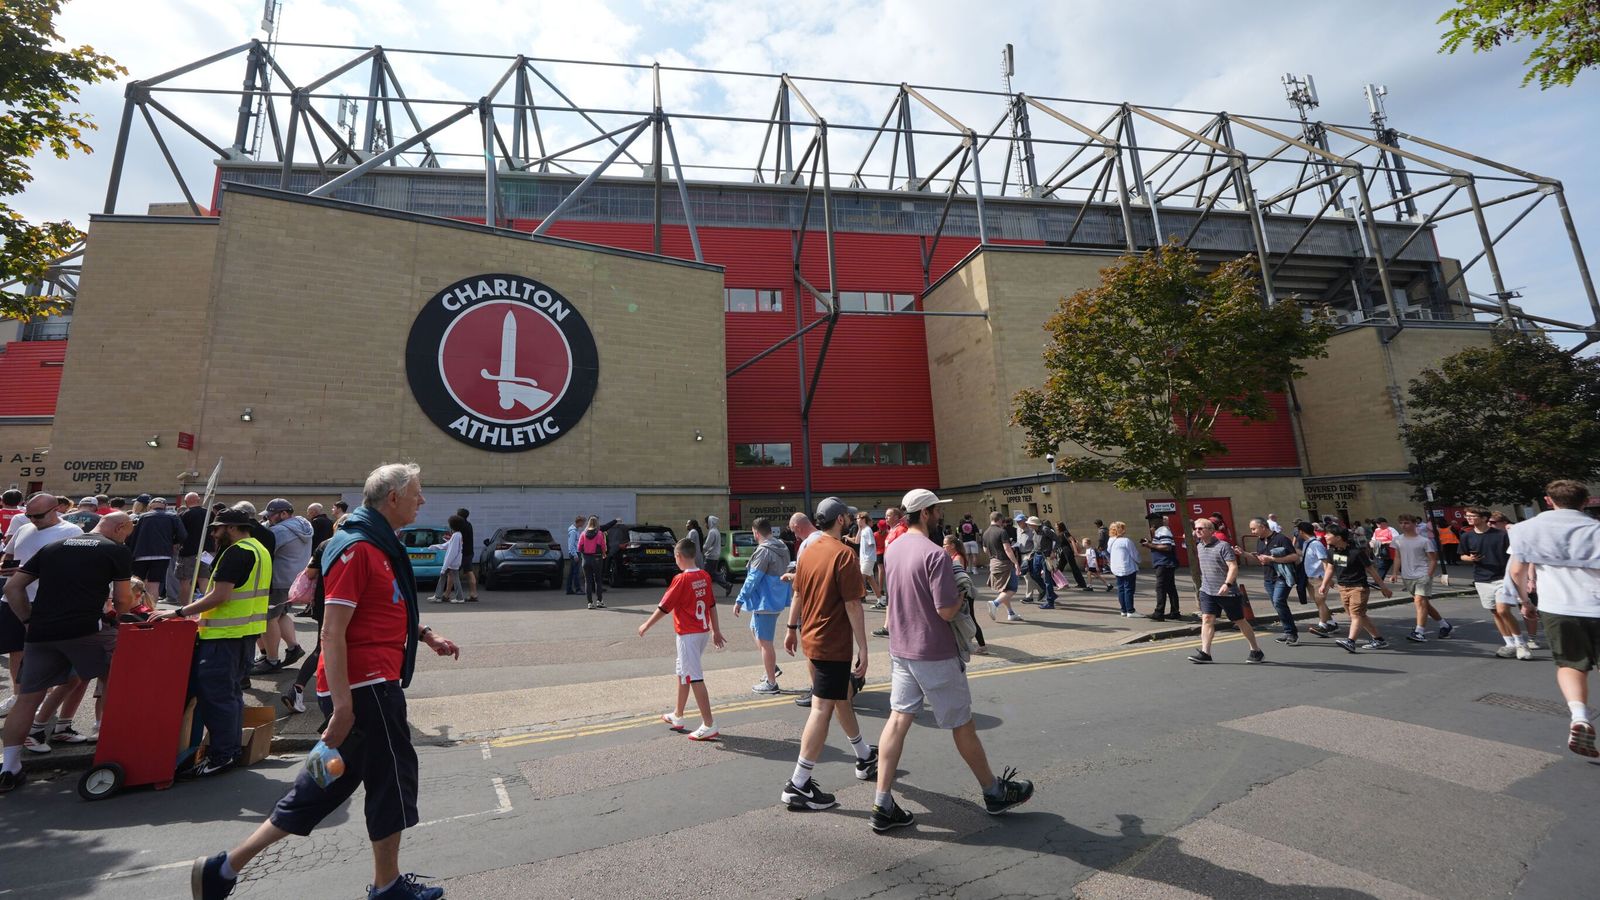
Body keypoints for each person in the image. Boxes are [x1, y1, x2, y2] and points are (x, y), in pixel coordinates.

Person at [190, 463, 461, 900]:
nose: (422, 500)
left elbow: (383, 609)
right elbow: (332, 631)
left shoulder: (378, 544)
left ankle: (224, 868)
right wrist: (344, 707)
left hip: (368, 686)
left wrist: (425, 635)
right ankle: (387, 887)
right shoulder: (358, 549)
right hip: (366, 690)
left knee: (322, 784)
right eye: (418, 493)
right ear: (392, 498)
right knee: (392, 780)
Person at [870, 488, 1033, 832]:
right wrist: (960, 595)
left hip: (901, 649)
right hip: (934, 651)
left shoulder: (895, 547)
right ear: (926, 513)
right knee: (962, 724)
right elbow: (945, 611)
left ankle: (882, 803)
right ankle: (993, 792)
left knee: (898, 720)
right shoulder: (935, 555)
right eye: (936, 510)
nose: (939, 516)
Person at [0, 513, 136, 793]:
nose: (127, 538)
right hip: (86, 628)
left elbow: (13, 587)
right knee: (115, 674)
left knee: (27, 697)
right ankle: (111, 743)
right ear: (121, 528)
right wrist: (117, 619)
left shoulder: (53, 547)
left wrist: (27, 620)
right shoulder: (115, 550)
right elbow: (123, 599)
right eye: (128, 533)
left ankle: (9, 766)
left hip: (41, 631)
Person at [779, 497, 878, 811]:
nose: (849, 521)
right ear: (840, 521)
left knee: (840, 697)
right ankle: (798, 783)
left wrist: (792, 627)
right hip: (833, 643)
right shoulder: (843, 555)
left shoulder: (807, 551)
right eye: (846, 517)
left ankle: (864, 755)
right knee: (822, 708)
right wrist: (863, 647)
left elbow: (799, 590)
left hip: (812, 637)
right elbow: (852, 605)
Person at [1506, 480, 1600, 757]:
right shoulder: (1595, 529)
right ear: (1585, 501)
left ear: (1548, 500)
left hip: (1558, 607)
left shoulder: (1526, 529)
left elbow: (1517, 571)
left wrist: (1525, 601)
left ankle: (1579, 716)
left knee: (1571, 665)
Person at [0, 493, 85, 726]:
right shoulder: (24, 527)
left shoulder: (71, 532)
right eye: (29, 515)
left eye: (38, 515)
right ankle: (19, 696)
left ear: (56, 509)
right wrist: (7, 567)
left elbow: (73, 569)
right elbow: (9, 555)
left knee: (41, 654)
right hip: (13, 597)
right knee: (16, 651)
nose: (33, 519)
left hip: (44, 601)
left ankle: (36, 698)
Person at [641, 538, 726, 741]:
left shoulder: (680, 579)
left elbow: (664, 607)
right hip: (702, 631)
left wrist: (646, 625)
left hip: (688, 634)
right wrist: (716, 630)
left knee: (694, 677)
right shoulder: (704, 576)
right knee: (683, 671)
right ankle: (678, 715)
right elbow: (711, 605)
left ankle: (709, 723)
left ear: (678, 556)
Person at [1186, 518, 1265, 665]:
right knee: (1207, 619)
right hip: (1207, 590)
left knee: (1239, 621)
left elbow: (1233, 567)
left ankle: (1256, 650)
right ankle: (1205, 653)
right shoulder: (1199, 546)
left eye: (1201, 528)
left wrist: (1227, 584)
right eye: (1196, 529)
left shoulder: (1223, 546)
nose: (1197, 531)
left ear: (1211, 530)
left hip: (1227, 592)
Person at [1461, 507, 1532, 659]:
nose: (1469, 518)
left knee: (1502, 610)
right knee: (1495, 612)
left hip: (1502, 577)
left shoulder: (1501, 535)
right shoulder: (1467, 536)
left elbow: (1514, 556)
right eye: (1467, 516)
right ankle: (1509, 643)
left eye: (1472, 516)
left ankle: (1521, 644)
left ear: (1484, 518)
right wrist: (1470, 559)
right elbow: (1462, 556)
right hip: (1481, 579)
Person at [253, 499, 312, 673]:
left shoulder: (280, 531)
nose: (269, 519)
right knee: (280, 615)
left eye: (271, 516)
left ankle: (271, 660)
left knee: (267, 619)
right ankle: (294, 648)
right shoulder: (303, 525)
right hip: (292, 580)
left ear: (284, 514)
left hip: (277, 580)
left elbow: (265, 549)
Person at [734, 517, 791, 693]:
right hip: (777, 598)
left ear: (756, 532)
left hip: (764, 601)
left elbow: (753, 578)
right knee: (754, 629)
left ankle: (771, 683)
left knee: (766, 642)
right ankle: (771, 667)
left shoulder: (763, 551)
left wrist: (740, 599)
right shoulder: (782, 547)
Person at [1322, 525, 1394, 653]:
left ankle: (1351, 642)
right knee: (1358, 615)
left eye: (1328, 534)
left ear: (1338, 537)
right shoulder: (1332, 552)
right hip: (1343, 588)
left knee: (1356, 614)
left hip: (1358, 588)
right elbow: (1330, 568)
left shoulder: (1356, 552)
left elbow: (1371, 570)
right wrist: (1324, 584)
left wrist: (1384, 588)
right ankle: (1379, 639)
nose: (1325, 536)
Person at [1237, 517, 1302, 645]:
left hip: (1282, 577)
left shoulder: (1281, 539)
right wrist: (1243, 553)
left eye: (1254, 528)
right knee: (1278, 604)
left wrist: (1272, 559)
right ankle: (1288, 631)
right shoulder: (1260, 541)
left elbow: (1294, 556)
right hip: (1268, 578)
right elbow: (1260, 558)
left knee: (1278, 601)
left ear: (1263, 527)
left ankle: (1291, 633)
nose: (1252, 531)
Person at [1389, 514, 1451, 643]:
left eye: (1406, 523)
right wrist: (1394, 573)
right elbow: (1397, 557)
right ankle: (1444, 625)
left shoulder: (1424, 541)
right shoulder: (1397, 540)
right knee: (1424, 604)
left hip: (1422, 575)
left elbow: (1433, 560)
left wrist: (1428, 575)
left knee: (1419, 602)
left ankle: (1419, 632)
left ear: (1414, 524)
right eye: (1401, 523)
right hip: (1407, 576)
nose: (1403, 525)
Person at [127, 496, 188, 609]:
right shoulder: (172, 516)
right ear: (164, 506)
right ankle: (150, 608)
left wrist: (131, 552)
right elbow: (183, 535)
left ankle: (134, 607)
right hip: (162, 554)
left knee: (136, 582)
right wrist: (172, 542)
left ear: (150, 506)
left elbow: (132, 536)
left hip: (141, 553)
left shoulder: (142, 517)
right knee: (154, 583)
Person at [943, 535, 987, 654]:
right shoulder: (953, 556)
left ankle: (982, 645)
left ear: (952, 545)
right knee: (965, 617)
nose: (943, 547)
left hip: (965, 591)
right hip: (963, 591)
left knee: (969, 618)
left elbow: (958, 576)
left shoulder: (957, 558)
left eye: (945, 544)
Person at [1297, 521, 1341, 637]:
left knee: (1320, 601)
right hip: (1310, 577)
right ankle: (1331, 623)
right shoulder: (1307, 543)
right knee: (1318, 602)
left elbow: (1325, 561)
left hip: (1319, 577)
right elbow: (1306, 555)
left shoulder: (1316, 544)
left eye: (1298, 531)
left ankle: (1322, 625)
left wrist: (1328, 579)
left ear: (1301, 531)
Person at [981, 512, 1023, 623]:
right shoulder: (1002, 531)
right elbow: (1007, 549)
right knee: (1012, 589)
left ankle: (1010, 613)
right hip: (1005, 563)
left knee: (1004, 590)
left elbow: (985, 550)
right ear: (999, 520)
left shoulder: (985, 533)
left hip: (993, 563)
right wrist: (1016, 563)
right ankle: (995, 604)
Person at [1143, 513, 1182, 621]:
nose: (1150, 522)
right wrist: (1150, 542)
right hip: (1165, 563)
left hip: (1164, 563)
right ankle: (1175, 612)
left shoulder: (1163, 530)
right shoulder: (1160, 531)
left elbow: (1167, 547)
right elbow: (1161, 545)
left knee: (1160, 588)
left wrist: (1149, 545)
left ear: (1159, 520)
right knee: (1170, 588)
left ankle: (1159, 612)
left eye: (1152, 520)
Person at [175, 493, 209, 606]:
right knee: (204, 579)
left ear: (186, 502)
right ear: (198, 500)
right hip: (208, 552)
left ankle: (185, 608)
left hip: (188, 552)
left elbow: (179, 535)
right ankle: (206, 607)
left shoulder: (184, 515)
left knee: (185, 581)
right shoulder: (209, 513)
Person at [426, 516, 466, 604]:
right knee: (447, 577)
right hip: (453, 562)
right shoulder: (457, 535)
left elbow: (452, 552)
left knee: (452, 578)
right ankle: (438, 596)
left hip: (452, 562)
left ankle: (457, 598)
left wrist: (445, 566)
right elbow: (447, 545)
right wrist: (435, 546)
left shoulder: (456, 536)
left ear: (452, 525)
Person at [1023, 517, 1060, 609]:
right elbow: (1036, 544)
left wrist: (1053, 551)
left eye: (1029, 524)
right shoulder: (1035, 530)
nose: (1028, 525)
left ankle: (1050, 601)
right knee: (1034, 575)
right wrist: (1032, 553)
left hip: (1045, 556)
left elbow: (1057, 540)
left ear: (1034, 524)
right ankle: (1050, 594)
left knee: (1047, 579)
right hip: (1037, 555)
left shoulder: (1045, 530)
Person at [1106, 521, 1140, 617]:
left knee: (1121, 589)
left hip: (1116, 568)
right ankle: (1130, 610)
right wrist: (1139, 561)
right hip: (1127, 567)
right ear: (1120, 529)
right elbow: (1135, 555)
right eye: (1123, 528)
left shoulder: (1110, 541)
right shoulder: (1126, 541)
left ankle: (1124, 610)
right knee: (1129, 589)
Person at [577, 516, 607, 609]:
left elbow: (579, 547)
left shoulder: (583, 534)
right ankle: (599, 601)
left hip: (586, 559)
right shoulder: (599, 534)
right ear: (597, 523)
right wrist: (604, 554)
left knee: (588, 581)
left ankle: (590, 603)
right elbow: (603, 546)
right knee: (598, 580)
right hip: (597, 559)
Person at [703, 514, 733, 598]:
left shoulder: (712, 532)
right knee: (713, 574)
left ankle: (705, 592)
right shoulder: (716, 531)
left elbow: (707, 545)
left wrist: (701, 549)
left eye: (706, 523)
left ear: (709, 522)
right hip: (715, 556)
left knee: (705, 575)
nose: (705, 525)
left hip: (710, 556)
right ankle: (727, 585)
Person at [453, 508, 477, 602]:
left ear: (459, 515)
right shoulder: (469, 525)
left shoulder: (460, 527)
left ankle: (446, 595)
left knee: (452, 573)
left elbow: (458, 541)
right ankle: (473, 594)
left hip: (462, 553)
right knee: (469, 572)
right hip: (469, 552)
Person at [565, 515, 585, 595]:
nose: (583, 524)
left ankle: (569, 589)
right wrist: (575, 555)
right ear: (579, 522)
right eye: (583, 522)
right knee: (576, 572)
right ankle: (578, 589)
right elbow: (571, 544)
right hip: (575, 553)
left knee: (571, 572)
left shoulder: (575, 530)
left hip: (575, 553)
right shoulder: (573, 531)